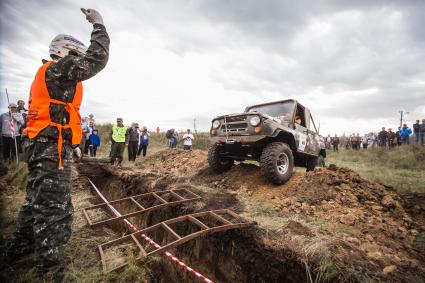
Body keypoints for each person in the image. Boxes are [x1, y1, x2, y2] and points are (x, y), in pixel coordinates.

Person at [5, 8, 109, 276]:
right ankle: (51, 269)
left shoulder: (50, 75)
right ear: (65, 53)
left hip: (46, 143)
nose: (78, 62)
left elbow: (62, 113)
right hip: (50, 148)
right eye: (75, 56)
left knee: (36, 199)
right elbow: (97, 57)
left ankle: (19, 248)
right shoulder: (57, 70)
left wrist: (73, 140)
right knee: (55, 206)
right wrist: (99, 25)